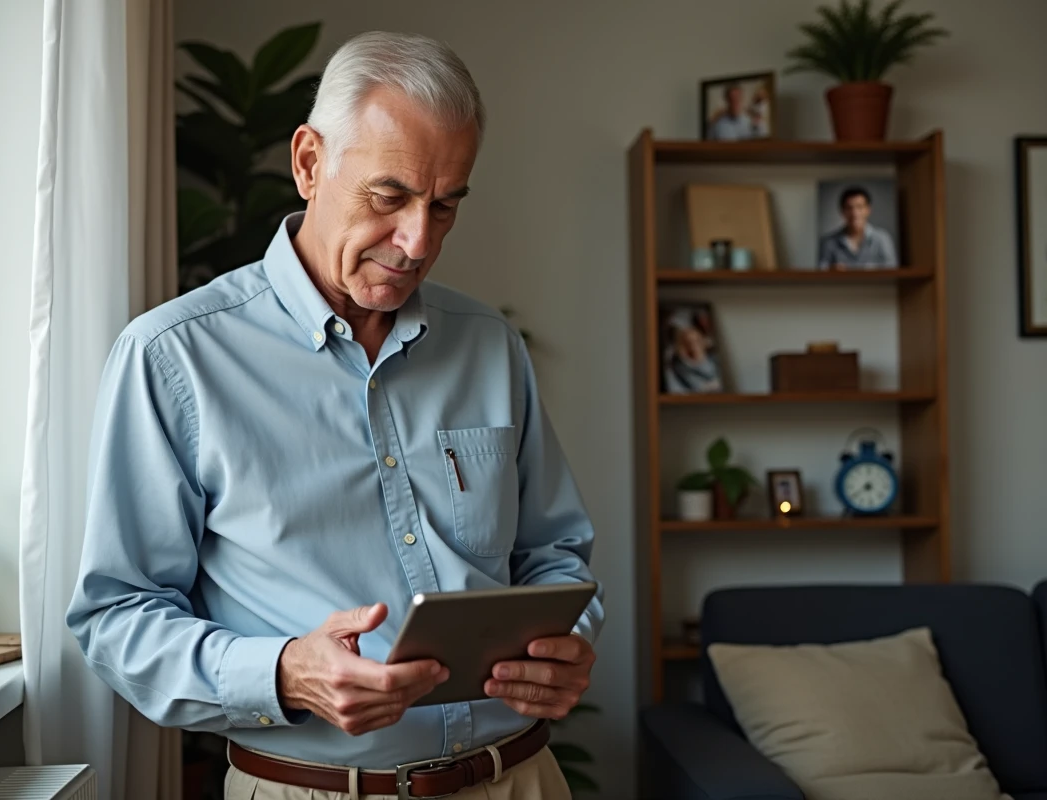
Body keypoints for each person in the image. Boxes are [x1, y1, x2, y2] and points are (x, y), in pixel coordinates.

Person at [67, 30, 603, 800]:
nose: (419, 240)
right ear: (310, 163)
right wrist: (283, 672)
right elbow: (116, 617)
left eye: (445, 205)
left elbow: (555, 554)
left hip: (521, 779)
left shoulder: (490, 345)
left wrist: (567, 646)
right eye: (390, 197)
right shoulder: (172, 358)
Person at [818, 186, 899, 269]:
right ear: (842, 211)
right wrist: (832, 270)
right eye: (849, 208)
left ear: (868, 209)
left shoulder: (882, 239)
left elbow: (892, 270)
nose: (854, 213)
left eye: (859, 207)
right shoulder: (828, 243)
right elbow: (821, 273)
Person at [663, 309, 723, 393]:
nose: (693, 345)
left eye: (696, 341)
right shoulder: (681, 367)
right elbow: (700, 388)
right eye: (688, 342)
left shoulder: (714, 358)